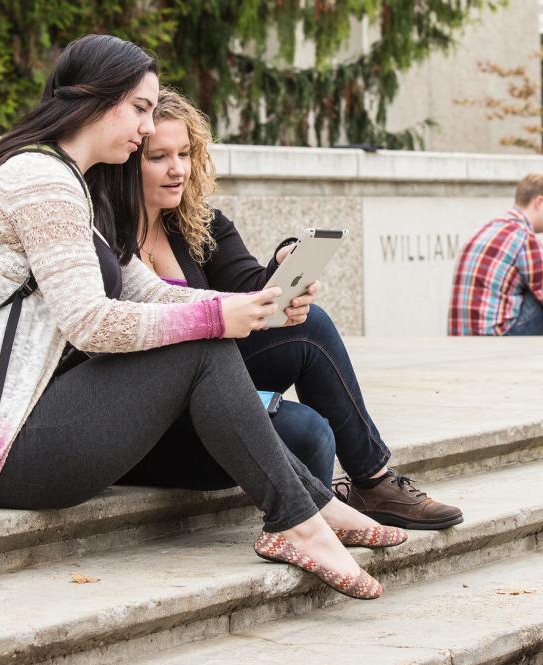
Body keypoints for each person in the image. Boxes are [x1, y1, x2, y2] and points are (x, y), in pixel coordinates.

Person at [0, 35, 407, 600]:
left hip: (26, 430)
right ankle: (299, 523)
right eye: (142, 108)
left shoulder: (69, 182)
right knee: (202, 346)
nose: (149, 127)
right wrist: (214, 319)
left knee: (211, 337)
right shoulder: (41, 183)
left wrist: (241, 308)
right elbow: (91, 323)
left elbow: (144, 291)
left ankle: (312, 510)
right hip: (6, 449)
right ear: (97, 100)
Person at [122, 86, 463, 531]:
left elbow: (251, 287)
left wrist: (285, 264)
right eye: (158, 157)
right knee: (306, 431)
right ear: (129, 162)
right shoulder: (104, 235)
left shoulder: (200, 227)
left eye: (185, 154)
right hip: (150, 416)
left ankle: (371, 482)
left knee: (309, 335)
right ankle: (316, 520)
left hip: (212, 390)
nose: (177, 170)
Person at [449, 172, 543, 336]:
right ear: (540, 202)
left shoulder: (487, 228)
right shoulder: (524, 236)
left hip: (460, 337)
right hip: (497, 339)